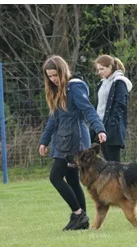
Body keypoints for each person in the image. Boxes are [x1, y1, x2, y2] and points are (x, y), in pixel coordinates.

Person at [38, 55, 107, 231]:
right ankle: (82, 219)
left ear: (63, 71)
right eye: (49, 76)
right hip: (61, 140)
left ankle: (78, 214)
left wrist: (99, 128)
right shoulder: (56, 91)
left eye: (55, 75)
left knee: (55, 177)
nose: (53, 79)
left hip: (75, 142)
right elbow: (53, 120)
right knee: (73, 180)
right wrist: (44, 141)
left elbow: (88, 110)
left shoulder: (74, 88)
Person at [93, 55, 133, 162]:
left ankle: (120, 179)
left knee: (114, 164)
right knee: (108, 163)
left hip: (112, 128)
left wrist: (111, 126)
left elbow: (120, 105)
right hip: (101, 126)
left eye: (102, 69)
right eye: (98, 69)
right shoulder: (102, 83)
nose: (99, 72)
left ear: (111, 67)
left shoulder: (119, 82)